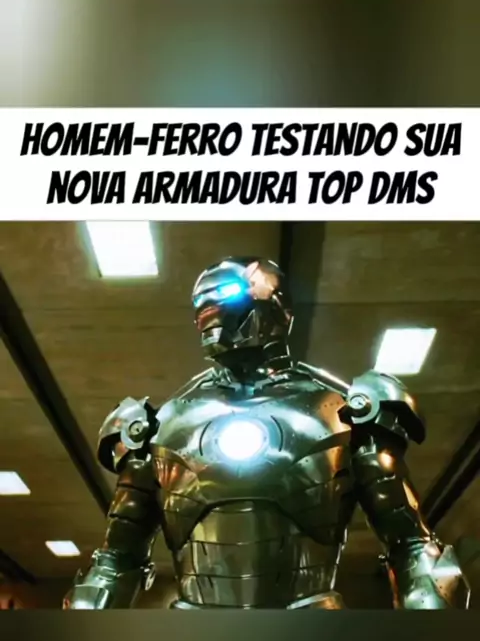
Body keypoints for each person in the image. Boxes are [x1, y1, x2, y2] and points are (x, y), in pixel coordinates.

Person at [65, 257, 469, 610]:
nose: (209, 316)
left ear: (274, 305)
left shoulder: (349, 410)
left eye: (221, 301)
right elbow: (116, 560)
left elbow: (412, 547)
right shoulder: (158, 425)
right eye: (202, 308)